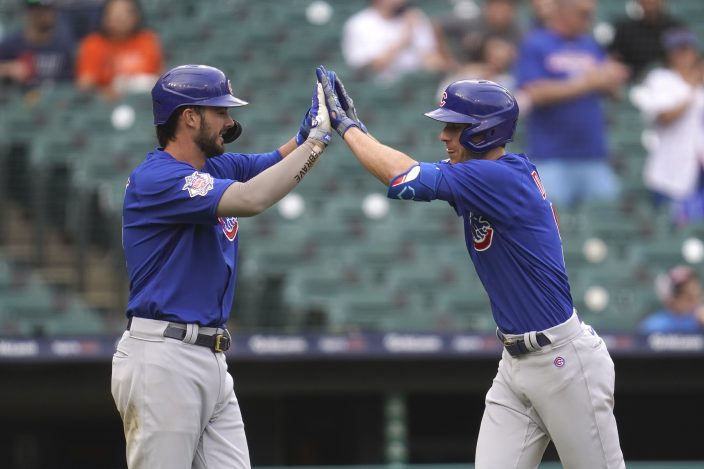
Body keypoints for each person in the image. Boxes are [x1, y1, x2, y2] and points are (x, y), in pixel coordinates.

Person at [315, 66, 625, 468]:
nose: (444, 136)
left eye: (455, 127)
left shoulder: (495, 177)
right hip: (516, 363)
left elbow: (402, 177)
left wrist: (347, 127)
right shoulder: (497, 174)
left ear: (484, 131)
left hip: (563, 362)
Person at [111, 64, 331, 468]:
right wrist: (315, 144)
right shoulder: (157, 178)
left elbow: (272, 163)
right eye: (220, 112)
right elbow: (252, 199)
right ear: (189, 117)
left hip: (209, 356)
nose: (230, 122)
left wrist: (306, 135)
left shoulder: (211, 167)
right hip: (163, 356)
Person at [515, 0, 629, 208]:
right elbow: (533, 92)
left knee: (610, 219)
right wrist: (586, 83)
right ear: (563, 11)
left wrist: (612, 78)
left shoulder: (590, 45)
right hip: (550, 157)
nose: (590, 19)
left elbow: (615, 93)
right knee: (552, 227)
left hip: (593, 156)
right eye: (584, 14)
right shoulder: (537, 43)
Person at [630, 28, 704, 226]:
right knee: (671, 230)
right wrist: (692, 87)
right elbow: (665, 116)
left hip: (698, 174)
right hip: (668, 174)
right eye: (678, 50)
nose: (683, 55)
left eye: (687, 49)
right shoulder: (660, 79)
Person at [341, 0, 450, 84]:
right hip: (382, 85)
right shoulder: (358, 24)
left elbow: (431, 57)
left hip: (415, 83)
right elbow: (368, 68)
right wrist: (404, 38)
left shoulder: (415, 16)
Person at [75, 0, 162, 99]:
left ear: (136, 16)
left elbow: (159, 78)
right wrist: (105, 91)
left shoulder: (148, 40)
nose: (120, 17)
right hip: (107, 104)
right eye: (114, 13)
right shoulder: (93, 44)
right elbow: (84, 85)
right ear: (104, 17)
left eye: (126, 12)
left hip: (144, 102)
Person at [0, 0, 75, 90]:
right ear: (30, 13)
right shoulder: (11, 43)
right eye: (41, 11)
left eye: (49, 10)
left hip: (53, 100)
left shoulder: (63, 45)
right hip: (19, 99)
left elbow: (69, 83)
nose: (47, 16)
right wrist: (8, 69)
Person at [608, 0, 683, 83]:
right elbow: (613, 61)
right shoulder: (625, 29)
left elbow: (686, 61)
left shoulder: (676, 29)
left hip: (669, 85)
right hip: (635, 85)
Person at [434, 0, 523, 67]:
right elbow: (439, 26)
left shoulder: (516, 29)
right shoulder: (472, 21)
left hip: (501, 76)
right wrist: (447, 59)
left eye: (504, 8)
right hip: (465, 70)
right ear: (487, 8)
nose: (499, 12)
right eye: (495, 7)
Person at [639, 265, 704, 333]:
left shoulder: (699, 321)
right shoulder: (654, 325)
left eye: (697, 296)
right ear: (671, 298)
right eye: (688, 298)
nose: (695, 302)